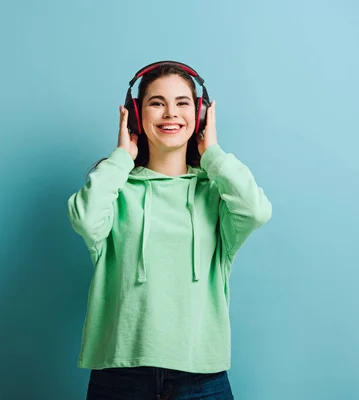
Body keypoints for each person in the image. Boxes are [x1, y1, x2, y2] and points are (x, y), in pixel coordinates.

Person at [67, 61, 272, 400]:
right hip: (120, 376)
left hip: (201, 378)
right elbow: (86, 218)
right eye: (157, 102)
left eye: (182, 103)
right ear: (135, 115)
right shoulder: (117, 188)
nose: (170, 113)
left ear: (201, 114)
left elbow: (256, 210)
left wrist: (214, 155)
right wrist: (121, 157)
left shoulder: (216, 192)